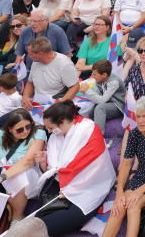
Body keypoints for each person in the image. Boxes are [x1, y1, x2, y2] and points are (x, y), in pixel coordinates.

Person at [36, 100, 116, 235]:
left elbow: (93, 170)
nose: (49, 132)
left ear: (62, 122)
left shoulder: (88, 129)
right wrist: (44, 163)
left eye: (50, 128)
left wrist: (70, 190)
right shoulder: (56, 135)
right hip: (61, 183)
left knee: (48, 224)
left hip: (89, 186)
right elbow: (54, 170)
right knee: (39, 218)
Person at [100, 94, 145, 237]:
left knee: (133, 205)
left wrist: (141, 190)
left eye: (144, 116)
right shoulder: (134, 134)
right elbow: (126, 164)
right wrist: (119, 192)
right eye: (138, 116)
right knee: (120, 205)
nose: (140, 121)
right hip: (139, 178)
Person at [21, 36, 80, 110]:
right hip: (37, 103)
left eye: (31, 54)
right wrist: (25, 97)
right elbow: (30, 83)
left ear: (40, 54)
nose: (29, 56)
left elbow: (75, 86)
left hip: (56, 103)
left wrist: (61, 103)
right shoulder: (36, 61)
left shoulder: (64, 64)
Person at [79, 59, 126, 134]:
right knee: (90, 110)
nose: (93, 76)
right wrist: (86, 91)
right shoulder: (99, 80)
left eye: (95, 75)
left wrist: (88, 91)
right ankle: (78, 122)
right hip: (107, 101)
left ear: (104, 75)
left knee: (100, 108)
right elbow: (98, 96)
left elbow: (102, 100)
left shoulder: (114, 82)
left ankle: (98, 134)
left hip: (117, 105)